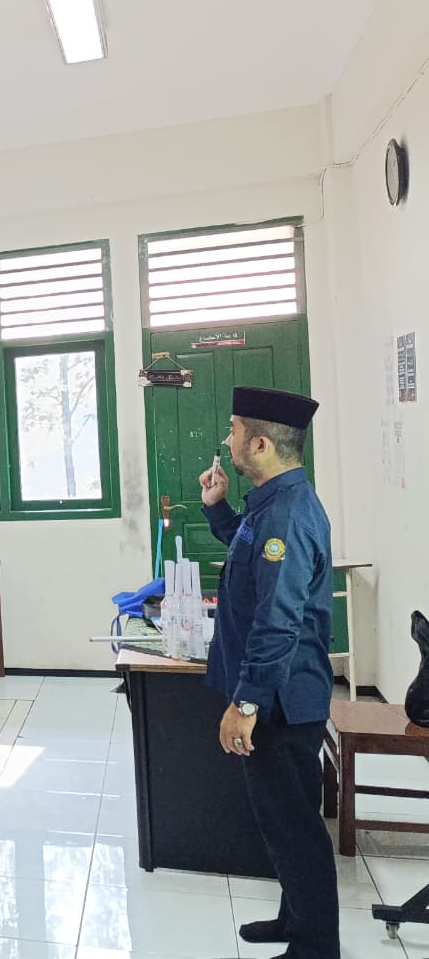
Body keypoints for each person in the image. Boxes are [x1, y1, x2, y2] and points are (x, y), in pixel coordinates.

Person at [199, 386, 338, 959]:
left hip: (282, 701)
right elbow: (248, 553)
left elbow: (278, 621)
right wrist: (217, 508)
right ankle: (294, 920)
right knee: (284, 821)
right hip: (279, 694)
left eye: (234, 430)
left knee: (294, 828)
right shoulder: (272, 503)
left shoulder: (287, 515)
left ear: (259, 444)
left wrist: (247, 703)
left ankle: (315, 948)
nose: (227, 439)